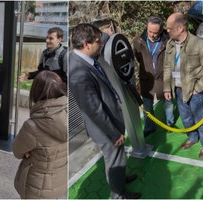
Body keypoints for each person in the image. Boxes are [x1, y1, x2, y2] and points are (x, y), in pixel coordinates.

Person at [69, 23, 141, 199]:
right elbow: (94, 109)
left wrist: (108, 33)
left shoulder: (85, 58)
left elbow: (108, 39)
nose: (101, 43)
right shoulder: (77, 71)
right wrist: (113, 133)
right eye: (97, 41)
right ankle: (119, 194)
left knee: (118, 155)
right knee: (114, 158)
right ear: (87, 44)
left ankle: (120, 179)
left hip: (110, 119)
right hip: (104, 126)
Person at [163, 13, 203, 159]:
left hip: (194, 91)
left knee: (199, 119)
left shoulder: (199, 44)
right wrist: (167, 88)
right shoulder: (170, 44)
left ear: (180, 28)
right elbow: (167, 67)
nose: (167, 30)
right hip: (178, 90)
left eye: (169, 28)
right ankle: (192, 138)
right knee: (186, 118)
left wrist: (198, 89)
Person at [12, 71, 67, 199]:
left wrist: (28, 152)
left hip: (36, 187)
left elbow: (17, 151)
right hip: (59, 181)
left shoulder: (33, 126)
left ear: (36, 92)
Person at [133, 16, 175, 136]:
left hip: (163, 78)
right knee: (147, 106)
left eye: (155, 32)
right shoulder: (138, 41)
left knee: (168, 102)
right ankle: (149, 127)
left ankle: (169, 123)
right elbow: (138, 57)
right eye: (149, 31)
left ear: (161, 30)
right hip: (147, 80)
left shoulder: (168, 41)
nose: (152, 35)